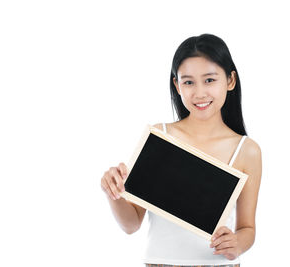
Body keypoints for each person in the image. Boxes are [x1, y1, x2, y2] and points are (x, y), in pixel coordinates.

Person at [100, 33, 262, 267]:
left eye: (209, 80)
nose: (199, 93)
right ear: (176, 85)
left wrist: (237, 243)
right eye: (188, 82)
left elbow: (247, 228)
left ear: (230, 81)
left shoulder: (246, 150)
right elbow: (131, 224)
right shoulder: (160, 137)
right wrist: (113, 193)